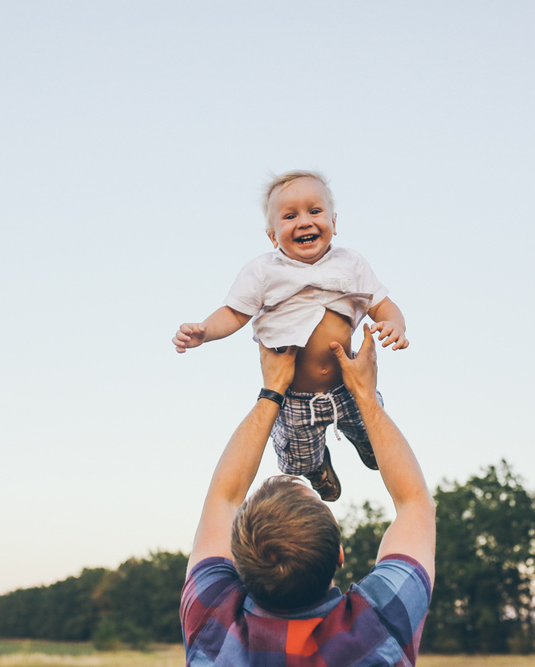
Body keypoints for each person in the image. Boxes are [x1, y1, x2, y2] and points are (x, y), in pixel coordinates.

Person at [180, 326, 436, 666]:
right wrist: (365, 395)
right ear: (340, 555)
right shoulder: (380, 624)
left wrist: (272, 390)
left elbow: (221, 498)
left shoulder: (212, 622)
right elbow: (415, 502)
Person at [172, 171, 408, 501]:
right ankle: (317, 468)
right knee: (298, 457)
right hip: (297, 396)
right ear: (273, 236)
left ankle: (367, 446)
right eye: (290, 216)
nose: (304, 221)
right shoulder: (264, 271)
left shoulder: (350, 262)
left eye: (315, 211)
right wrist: (205, 332)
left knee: (374, 429)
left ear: (334, 222)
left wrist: (395, 324)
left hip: (348, 386)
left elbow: (382, 303)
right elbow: (235, 312)